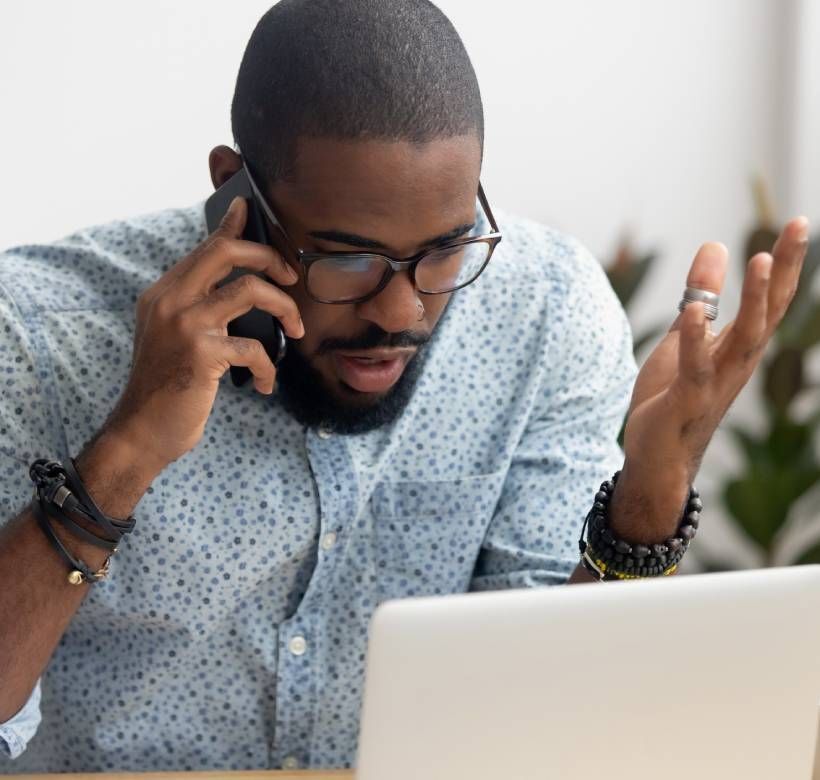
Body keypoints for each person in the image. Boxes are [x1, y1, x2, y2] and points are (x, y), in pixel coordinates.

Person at [0, 0, 808, 773]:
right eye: (346, 259)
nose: (402, 310)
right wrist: (126, 451)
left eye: (445, 250)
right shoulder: (38, 333)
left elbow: (545, 709)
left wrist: (650, 491)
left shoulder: (545, 311)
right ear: (233, 195)